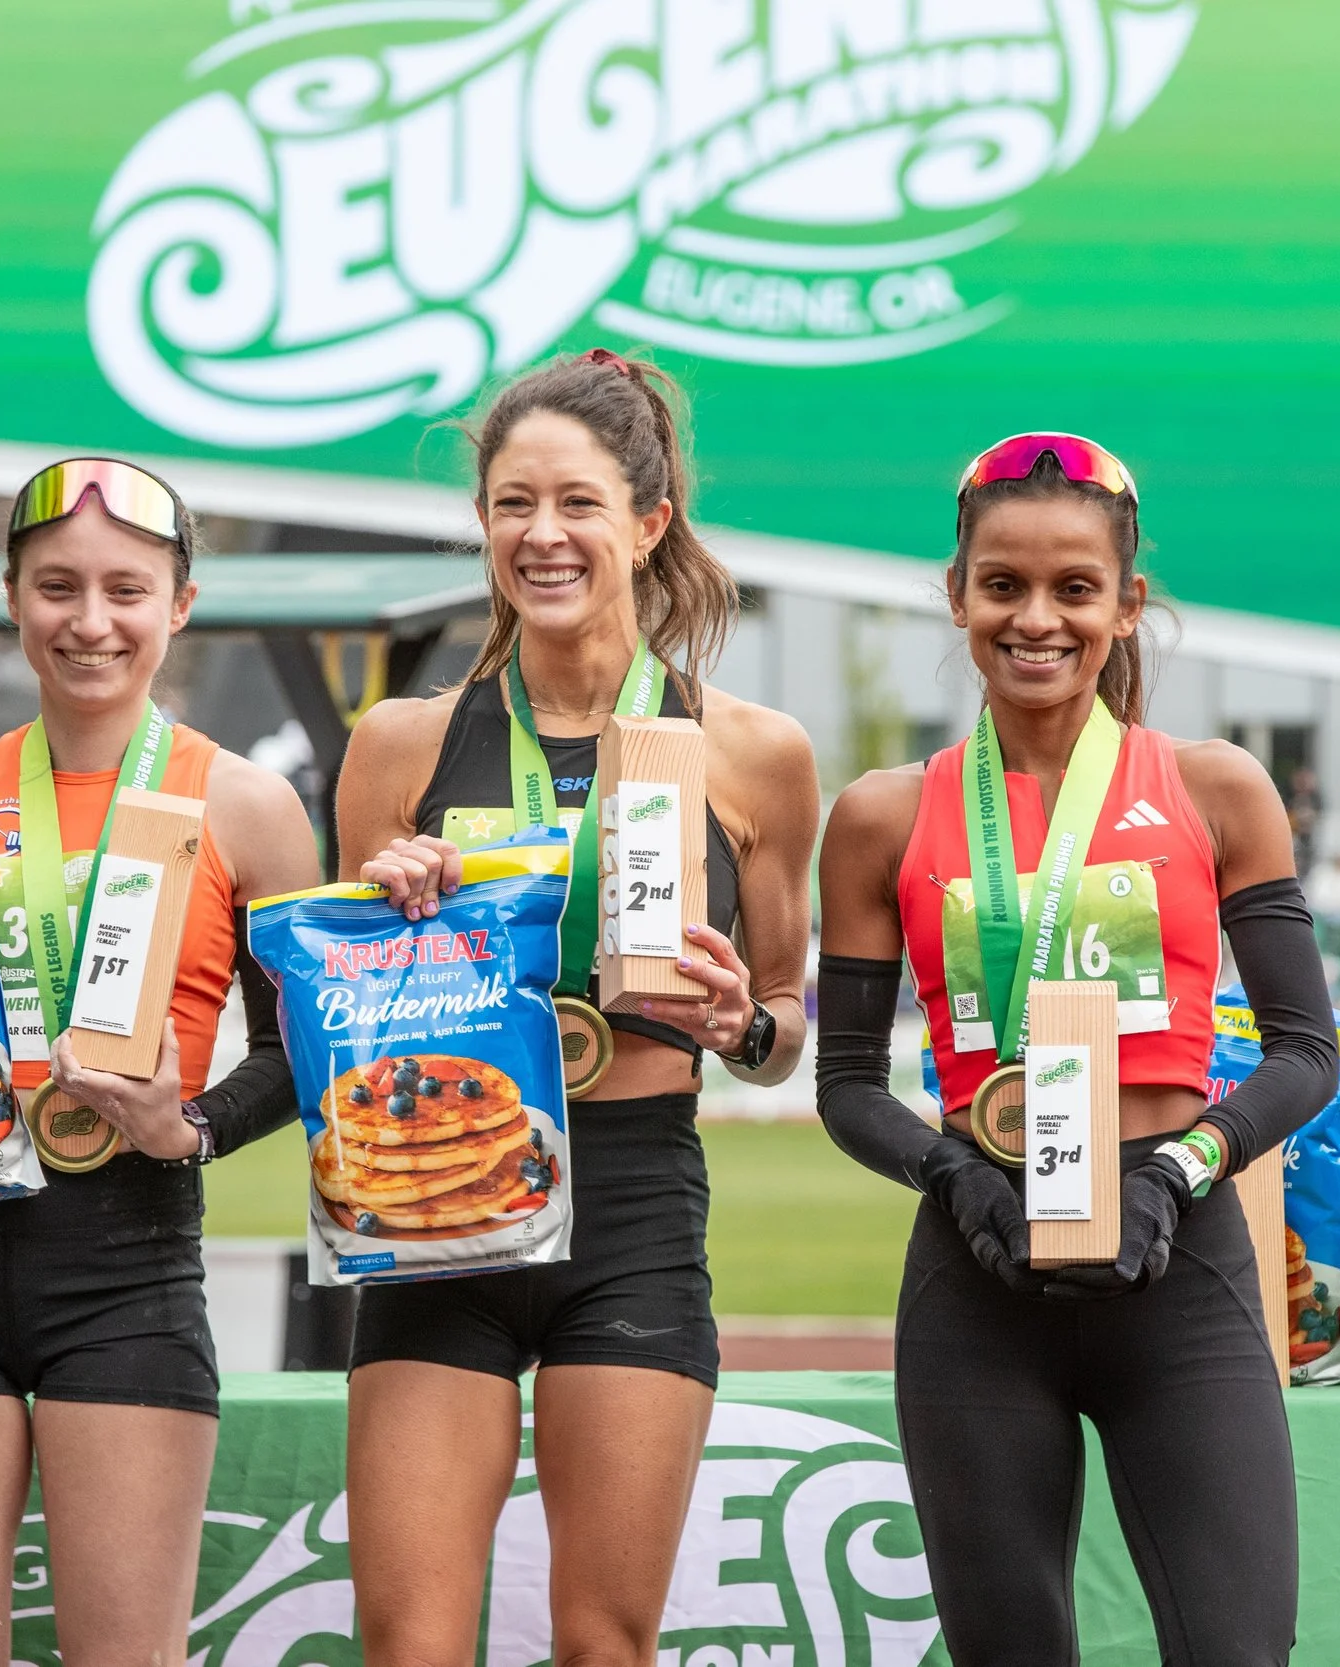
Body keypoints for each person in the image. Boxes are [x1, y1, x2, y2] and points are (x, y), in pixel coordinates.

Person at [811, 433, 1340, 1666]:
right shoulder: (884, 813)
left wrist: (1177, 1169)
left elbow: (1304, 1051)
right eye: (1001, 585)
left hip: (1180, 1261)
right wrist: (954, 1176)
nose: (1034, 617)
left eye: (1072, 588)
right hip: (976, 1270)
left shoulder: (1217, 789)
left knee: (1236, 1649)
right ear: (956, 595)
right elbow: (843, 1084)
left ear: (1125, 603)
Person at [334, 350, 819, 1666]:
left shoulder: (756, 751)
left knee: (605, 1638)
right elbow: (341, 1026)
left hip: (635, 1204)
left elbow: (780, 1022)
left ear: (649, 521)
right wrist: (383, 923)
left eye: (578, 503)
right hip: (442, 1201)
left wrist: (745, 1027)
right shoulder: (401, 744)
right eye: (511, 503)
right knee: (410, 1637)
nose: (542, 535)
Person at [0, 458, 318, 1666]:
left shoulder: (249, 806)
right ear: (11, 597)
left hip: (127, 1273)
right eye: (57, 586)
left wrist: (188, 1126)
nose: (90, 621)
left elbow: (309, 1055)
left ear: (182, 603)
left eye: (126, 588)